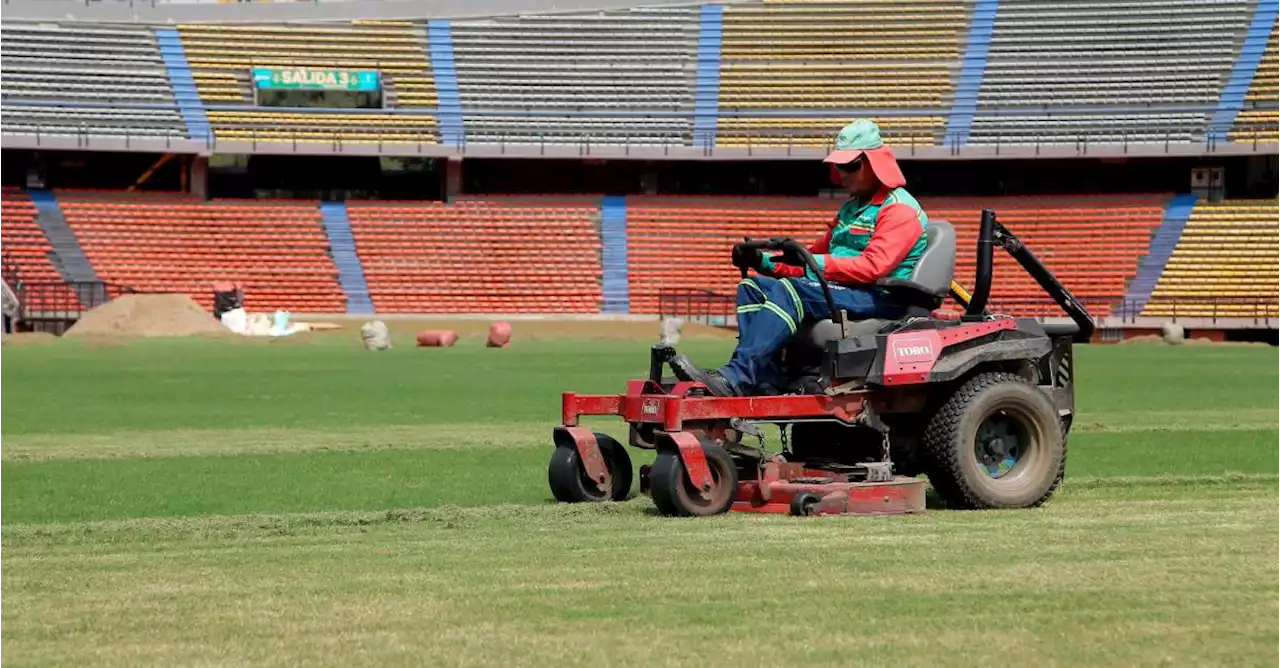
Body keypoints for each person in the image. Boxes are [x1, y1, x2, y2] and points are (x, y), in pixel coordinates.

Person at [672, 119, 931, 397]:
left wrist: (815, 263)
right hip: (843, 289)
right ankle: (765, 380)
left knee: (790, 291)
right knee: (751, 288)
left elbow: (872, 267)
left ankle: (736, 376)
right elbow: (810, 258)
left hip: (879, 296)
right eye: (837, 166)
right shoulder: (851, 210)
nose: (840, 174)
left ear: (873, 163)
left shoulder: (900, 209)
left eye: (848, 166)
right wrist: (761, 261)